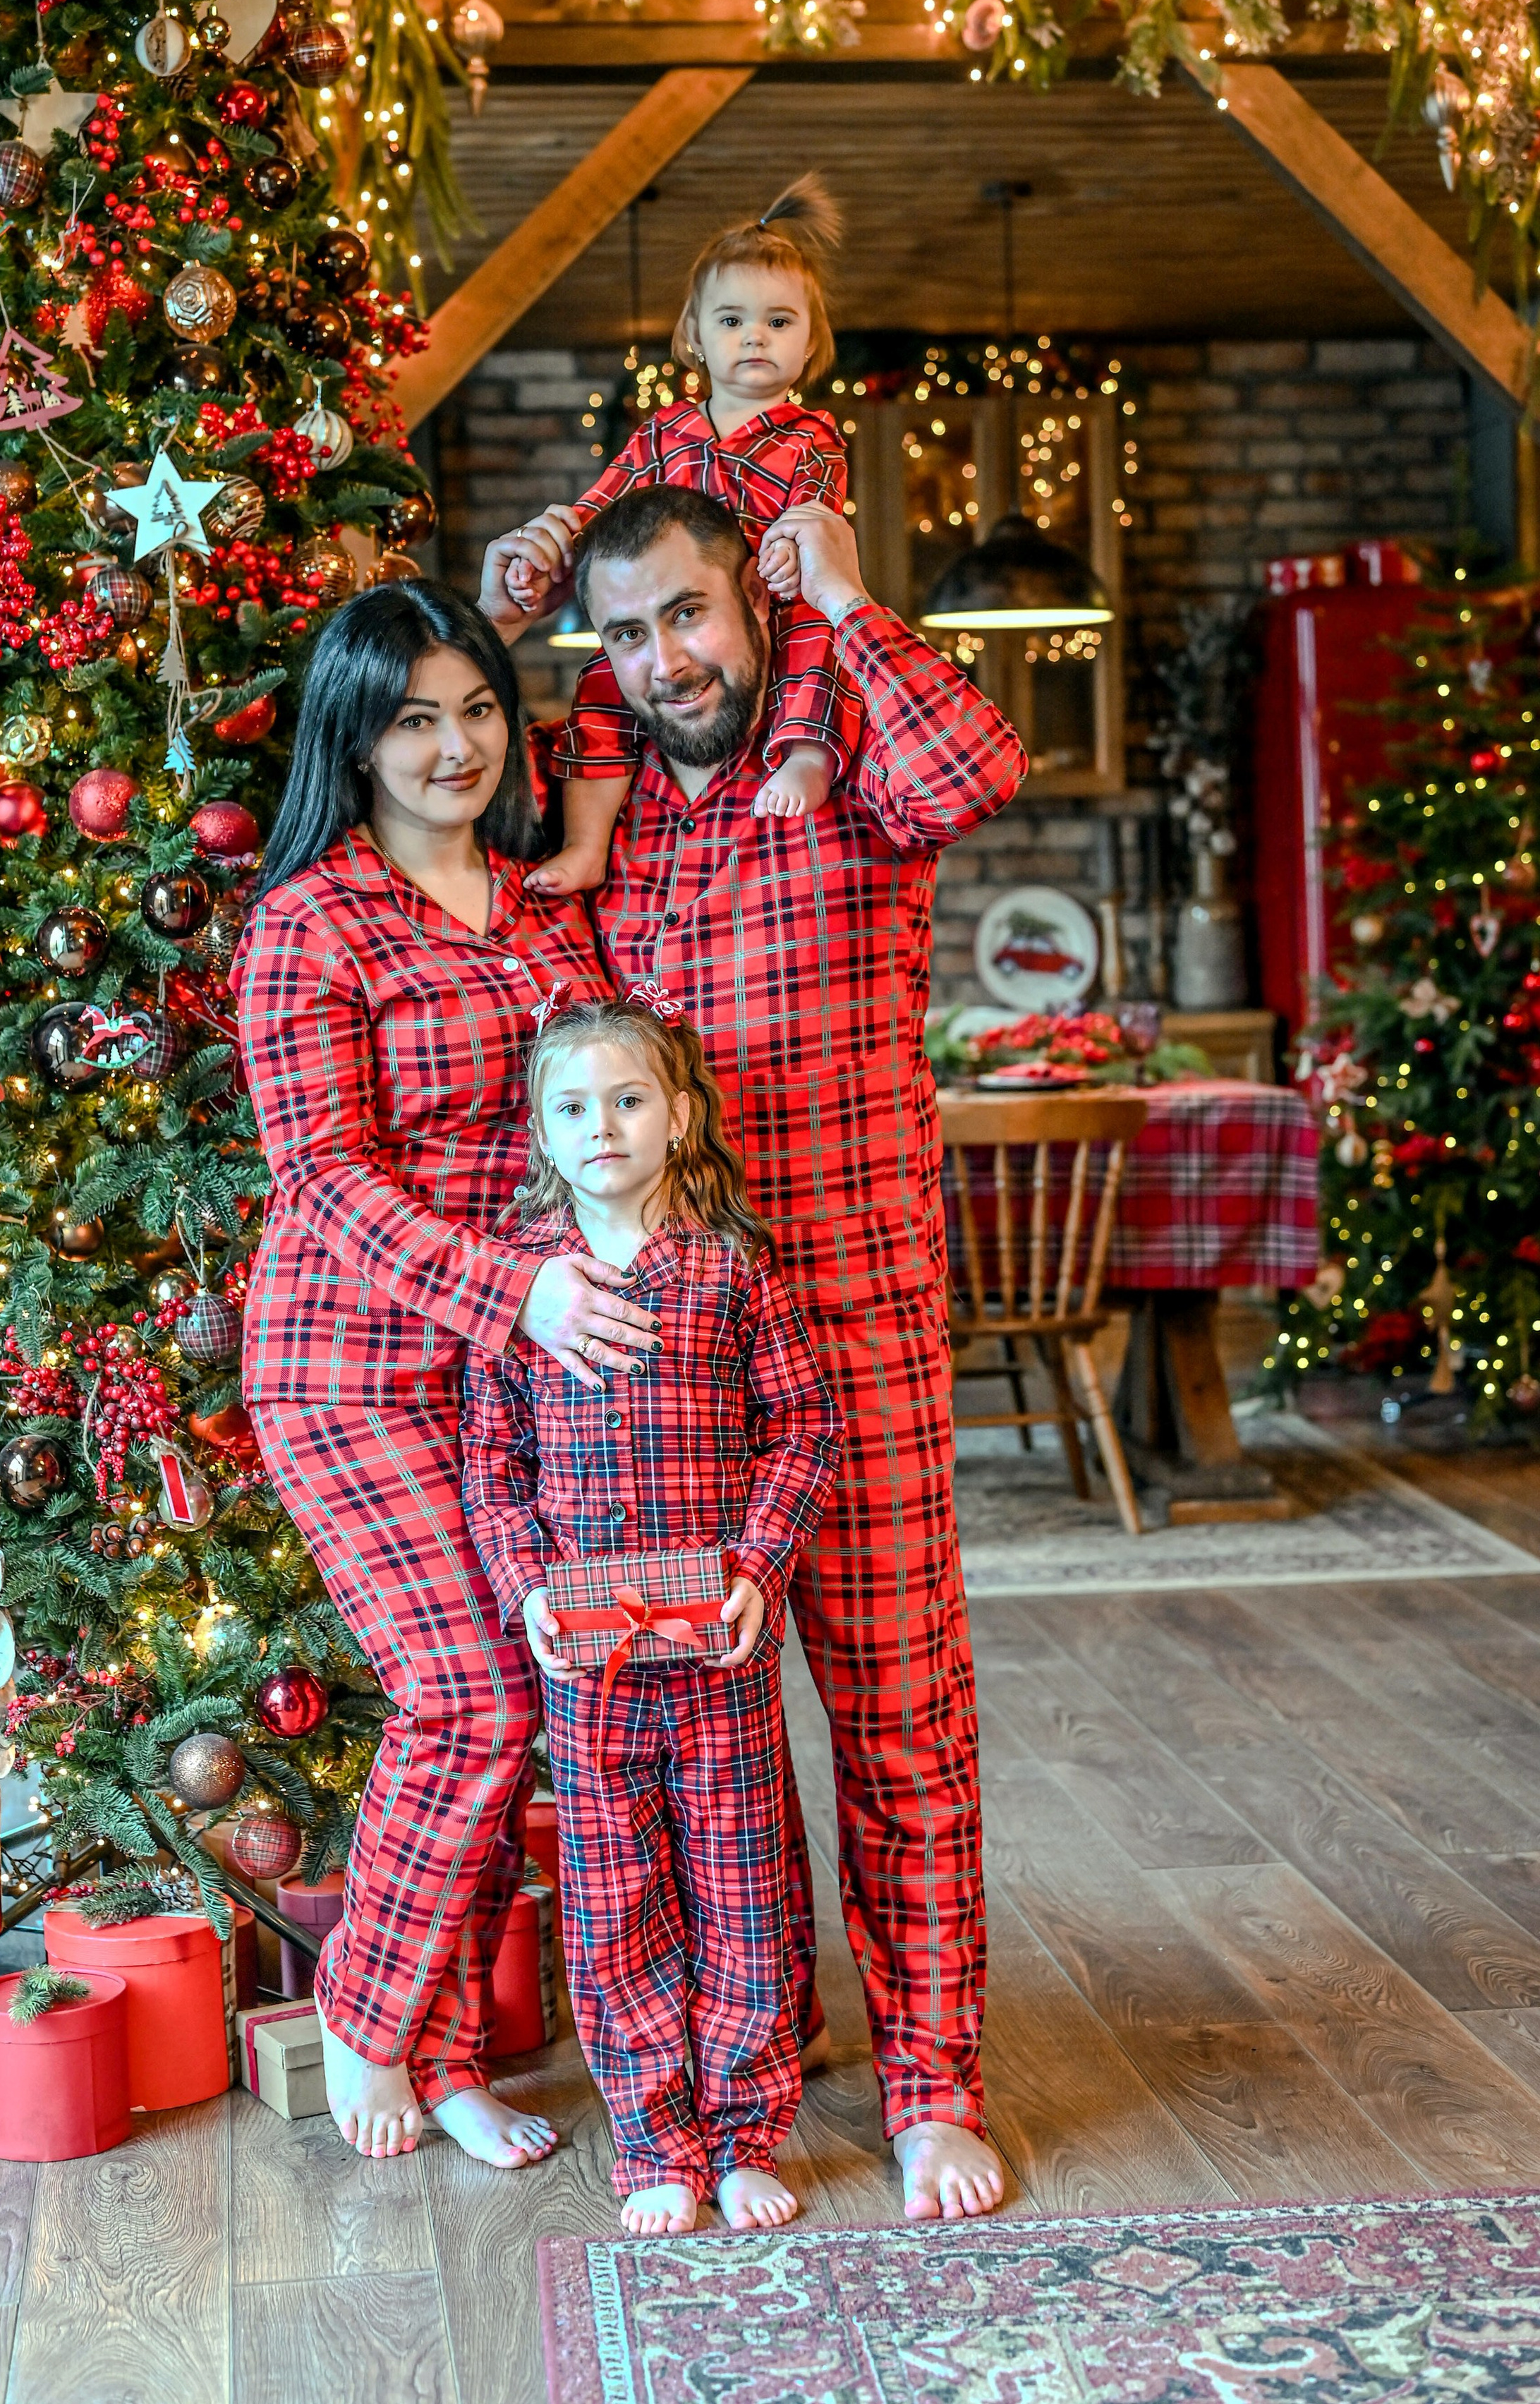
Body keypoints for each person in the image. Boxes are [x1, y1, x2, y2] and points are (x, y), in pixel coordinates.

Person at [479, 485, 1029, 2223]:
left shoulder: (844, 763)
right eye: (625, 633)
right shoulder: (604, 823)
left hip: (850, 1334)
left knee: (895, 1721)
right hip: (648, 1384)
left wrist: (849, 598)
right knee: (697, 1757)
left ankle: (933, 2076)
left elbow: (977, 770)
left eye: (688, 616)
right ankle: (746, 2065)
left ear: (755, 602)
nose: (661, 660)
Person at [233, 579, 662, 2166]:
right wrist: (520, 1294)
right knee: (466, 1694)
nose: (453, 743)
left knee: (531, 1693)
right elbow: (324, 1180)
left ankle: (455, 2048)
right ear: (353, 738)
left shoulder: (549, 911)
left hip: (518, 1376)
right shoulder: (307, 923)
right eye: (413, 716)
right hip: (350, 1367)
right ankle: (365, 2022)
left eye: (476, 706)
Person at [461, 991, 839, 2237]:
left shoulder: (735, 1273)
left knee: (742, 1884)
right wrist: (523, 1591)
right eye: (574, 1107)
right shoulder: (528, 1295)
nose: (603, 1125)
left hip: (721, 1648)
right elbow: (493, 1462)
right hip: (588, 1663)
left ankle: (744, 2132)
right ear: (542, 1132)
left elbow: (803, 1429)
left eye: (628, 1099)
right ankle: (655, 2141)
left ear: (678, 1118)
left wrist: (759, 1567)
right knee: (616, 1894)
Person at [507, 176, 861, 897]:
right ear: (695, 335)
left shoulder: (811, 438)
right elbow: (602, 501)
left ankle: (805, 759)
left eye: (778, 321)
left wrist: (791, 555)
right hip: (675, 601)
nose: (754, 336)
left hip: (767, 598)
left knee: (816, 653)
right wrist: (554, 549)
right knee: (602, 688)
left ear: (809, 342)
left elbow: (813, 513)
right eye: (731, 321)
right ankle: (586, 841)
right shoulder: (666, 430)